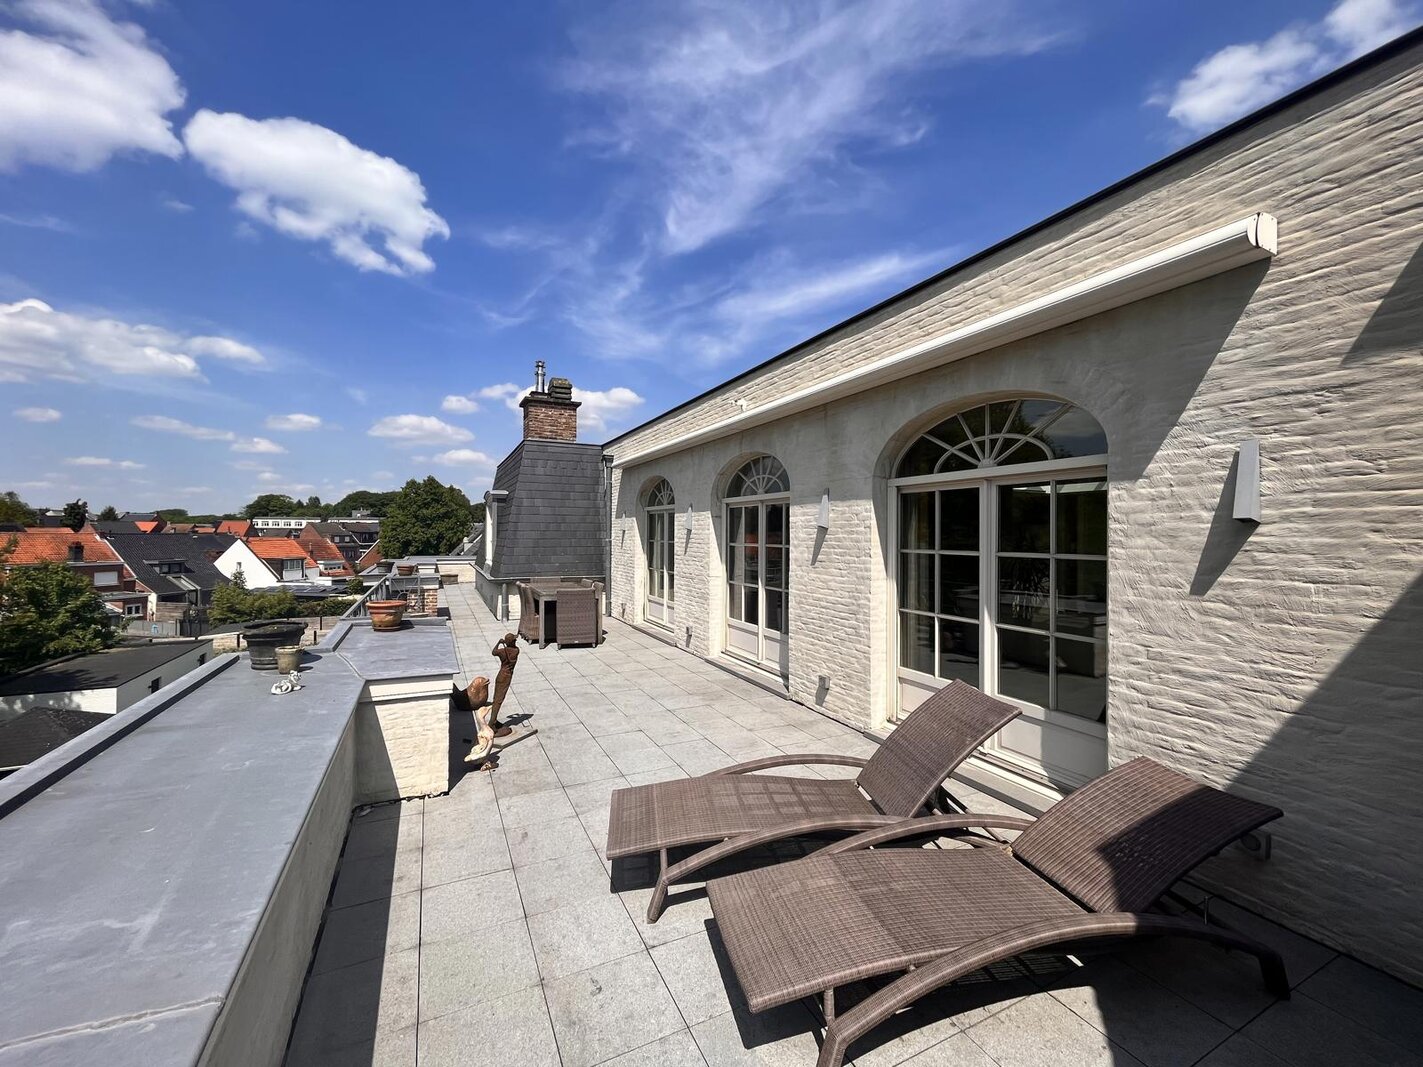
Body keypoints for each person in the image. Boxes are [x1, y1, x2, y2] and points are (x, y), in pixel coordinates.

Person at [488, 632, 520, 738]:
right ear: (512, 642)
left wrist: (499, 642)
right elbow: (512, 648)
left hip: (501, 675)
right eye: (514, 640)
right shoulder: (516, 650)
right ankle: (492, 723)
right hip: (506, 677)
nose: (515, 641)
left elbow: (493, 652)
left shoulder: (502, 651)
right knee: (498, 700)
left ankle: (493, 720)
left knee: (496, 699)